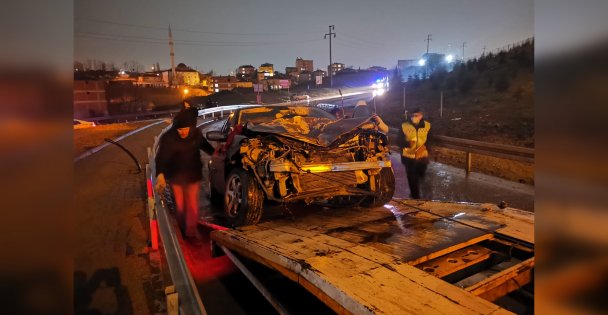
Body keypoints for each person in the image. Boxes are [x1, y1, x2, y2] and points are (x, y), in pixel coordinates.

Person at [154, 111, 215, 242]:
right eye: (179, 130)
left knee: (192, 204)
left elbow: (203, 145)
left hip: (193, 174)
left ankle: (191, 232)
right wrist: (160, 175)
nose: (182, 132)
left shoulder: (196, 134)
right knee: (180, 205)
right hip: (176, 176)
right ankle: (182, 228)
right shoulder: (168, 138)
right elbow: (161, 158)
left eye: (184, 129)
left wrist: (215, 153)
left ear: (191, 127)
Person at [400, 108, 431, 199]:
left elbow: (431, 139)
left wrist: (426, 148)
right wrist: (408, 144)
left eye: (416, 115)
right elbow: (399, 140)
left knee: (422, 176)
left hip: (422, 157)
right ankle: (415, 197)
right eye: (413, 115)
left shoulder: (427, 126)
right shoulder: (404, 125)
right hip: (409, 158)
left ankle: (426, 196)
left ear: (421, 116)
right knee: (412, 179)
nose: (414, 117)